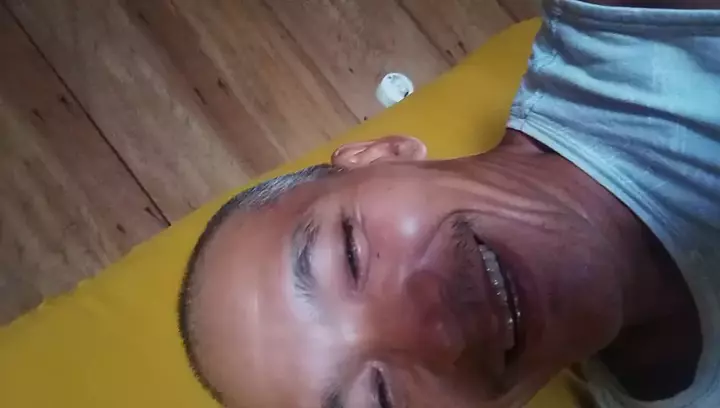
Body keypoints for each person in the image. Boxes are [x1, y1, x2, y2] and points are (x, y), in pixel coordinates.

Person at [177, 0, 720, 406]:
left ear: (382, 154)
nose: (440, 333)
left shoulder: (646, 19)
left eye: (350, 256)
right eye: (382, 401)